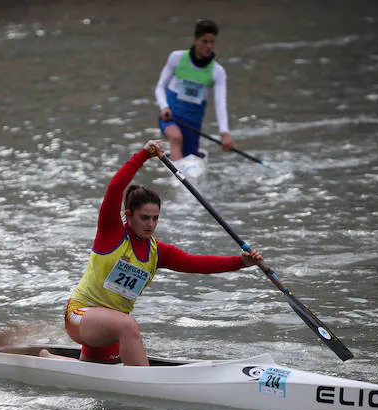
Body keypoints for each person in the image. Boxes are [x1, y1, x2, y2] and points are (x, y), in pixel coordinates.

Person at [53, 140, 262, 366]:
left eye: (155, 218)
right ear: (128, 215)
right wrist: (142, 155)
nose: (151, 224)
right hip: (80, 316)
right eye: (144, 218)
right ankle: (143, 383)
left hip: (107, 328)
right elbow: (114, 188)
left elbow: (197, 264)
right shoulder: (111, 233)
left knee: (97, 370)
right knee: (129, 325)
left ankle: (47, 359)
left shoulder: (157, 252)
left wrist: (240, 262)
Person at [154, 19, 235, 161]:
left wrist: (224, 133)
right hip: (171, 116)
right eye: (205, 41)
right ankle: (177, 175)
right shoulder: (176, 58)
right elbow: (160, 87)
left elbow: (220, 104)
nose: (209, 46)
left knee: (188, 155)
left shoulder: (217, 72)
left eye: (212, 42)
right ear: (195, 40)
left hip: (192, 123)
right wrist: (164, 107)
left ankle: (178, 164)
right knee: (176, 137)